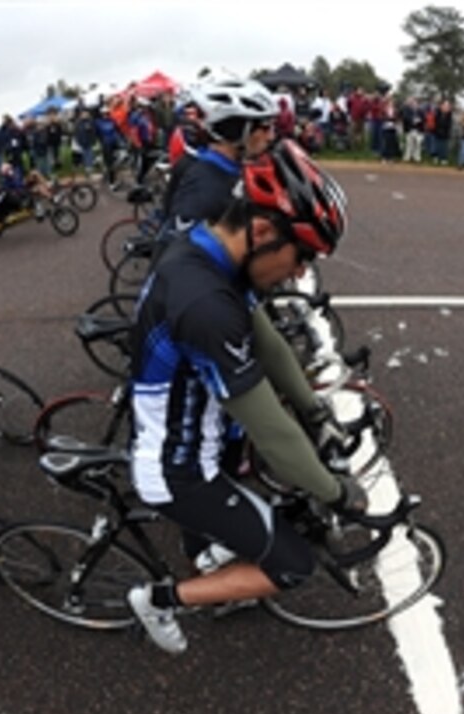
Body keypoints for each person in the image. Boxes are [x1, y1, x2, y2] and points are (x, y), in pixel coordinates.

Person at [126, 140, 367, 653]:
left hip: (190, 434)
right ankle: (160, 599)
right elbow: (271, 431)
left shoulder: (209, 251)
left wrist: (313, 409)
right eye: (302, 255)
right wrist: (336, 494)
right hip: (182, 472)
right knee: (293, 564)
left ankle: (209, 556)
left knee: (260, 496)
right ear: (261, 231)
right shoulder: (206, 303)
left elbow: (268, 342)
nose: (303, 271)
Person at [163, 79, 276, 234]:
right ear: (237, 129)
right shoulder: (204, 188)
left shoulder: (226, 168)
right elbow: (178, 253)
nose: (271, 136)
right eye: (265, 127)